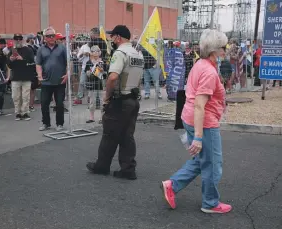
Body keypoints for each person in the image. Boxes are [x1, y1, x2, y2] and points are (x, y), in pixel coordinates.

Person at [160, 29, 232, 214]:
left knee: (203, 160)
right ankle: (210, 203)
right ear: (215, 50)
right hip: (204, 122)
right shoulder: (209, 71)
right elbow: (200, 105)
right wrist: (199, 137)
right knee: (213, 163)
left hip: (190, 118)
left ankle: (172, 185)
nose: (226, 51)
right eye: (224, 47)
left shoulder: (201, 64)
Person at [86, 25, 143, 180]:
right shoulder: (138, 54)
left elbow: (112, 77)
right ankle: (128, 168)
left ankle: (102, 166)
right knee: (127, 135)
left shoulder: (120, 53)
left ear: (118, 37)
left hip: (119, 100)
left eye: (112, 36)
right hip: (133, 99)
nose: (111, 39)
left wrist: (107, 97)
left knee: (110, 134)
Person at [36, 27, 68, 131]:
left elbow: (69, 62)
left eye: (52, 35)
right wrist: (39, 75)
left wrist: (67, 74)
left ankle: (60, 124)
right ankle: (46, 123)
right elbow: (38, 64)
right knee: (44, 103)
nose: (51, 38)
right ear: (45, 38)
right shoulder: (41, 49)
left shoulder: (62, 48)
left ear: (55, 36)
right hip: (46, 82)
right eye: (48, 36)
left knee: (59, 103)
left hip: (60, 81)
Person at [6, 33, 36, 121]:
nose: (18, 40)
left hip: (26, 76)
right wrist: (11, 60)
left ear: (22, 40)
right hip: (15, 77)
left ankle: (25, 112)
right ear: (14, 40)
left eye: (20, 39)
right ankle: (18, 112)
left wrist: (22, 59)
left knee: (25, 96)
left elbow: (32, 63)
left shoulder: (28, 50)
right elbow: (9, 66)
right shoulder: (11, 50)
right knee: (15, 96)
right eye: (16, 39)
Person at [85, 45, 106, 123]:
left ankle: (102, 117)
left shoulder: (102, 62)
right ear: (91, 52)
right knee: (92, 101)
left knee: (102, 101)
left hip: (101, 84)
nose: (96, 53)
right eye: (93, 51)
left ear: (100, 52)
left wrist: (102, 70)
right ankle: (91, 117)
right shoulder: (89, 62)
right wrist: (91, 72)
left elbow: (105, 74)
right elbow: (87, 73)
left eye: (97, 51)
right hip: (92, 84)